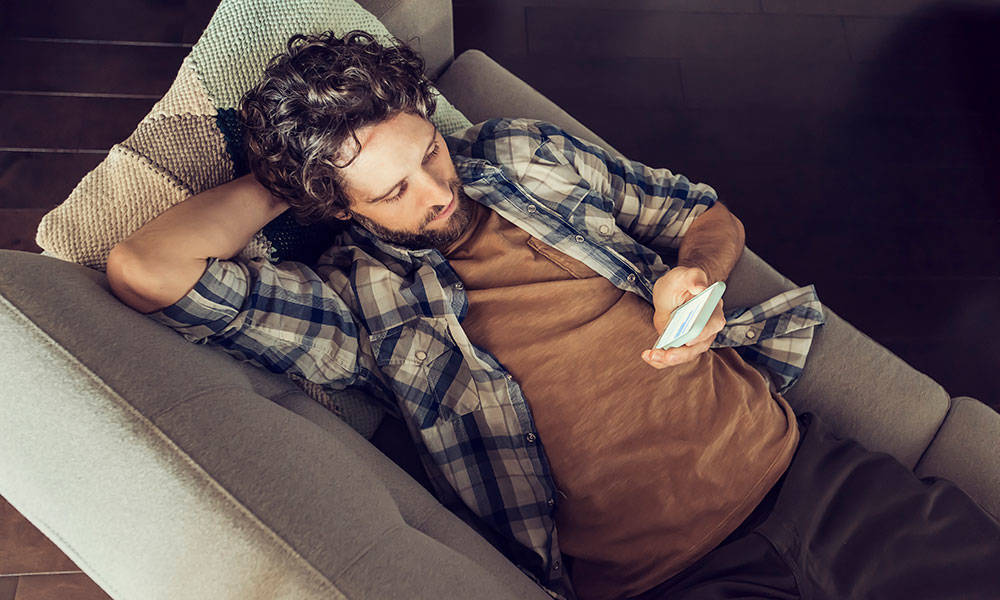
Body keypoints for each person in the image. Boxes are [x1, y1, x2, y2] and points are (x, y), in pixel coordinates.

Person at [105, 29, 1000, 600]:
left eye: (425, 151)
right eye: (392, 190)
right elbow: (147, 269)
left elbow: (701, 214)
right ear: (338, 208)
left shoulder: (521, 154)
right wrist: (292, 174)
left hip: (810, 474)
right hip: (673, 581)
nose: (434, 190)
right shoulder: (354, 305)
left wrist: (692, 274)